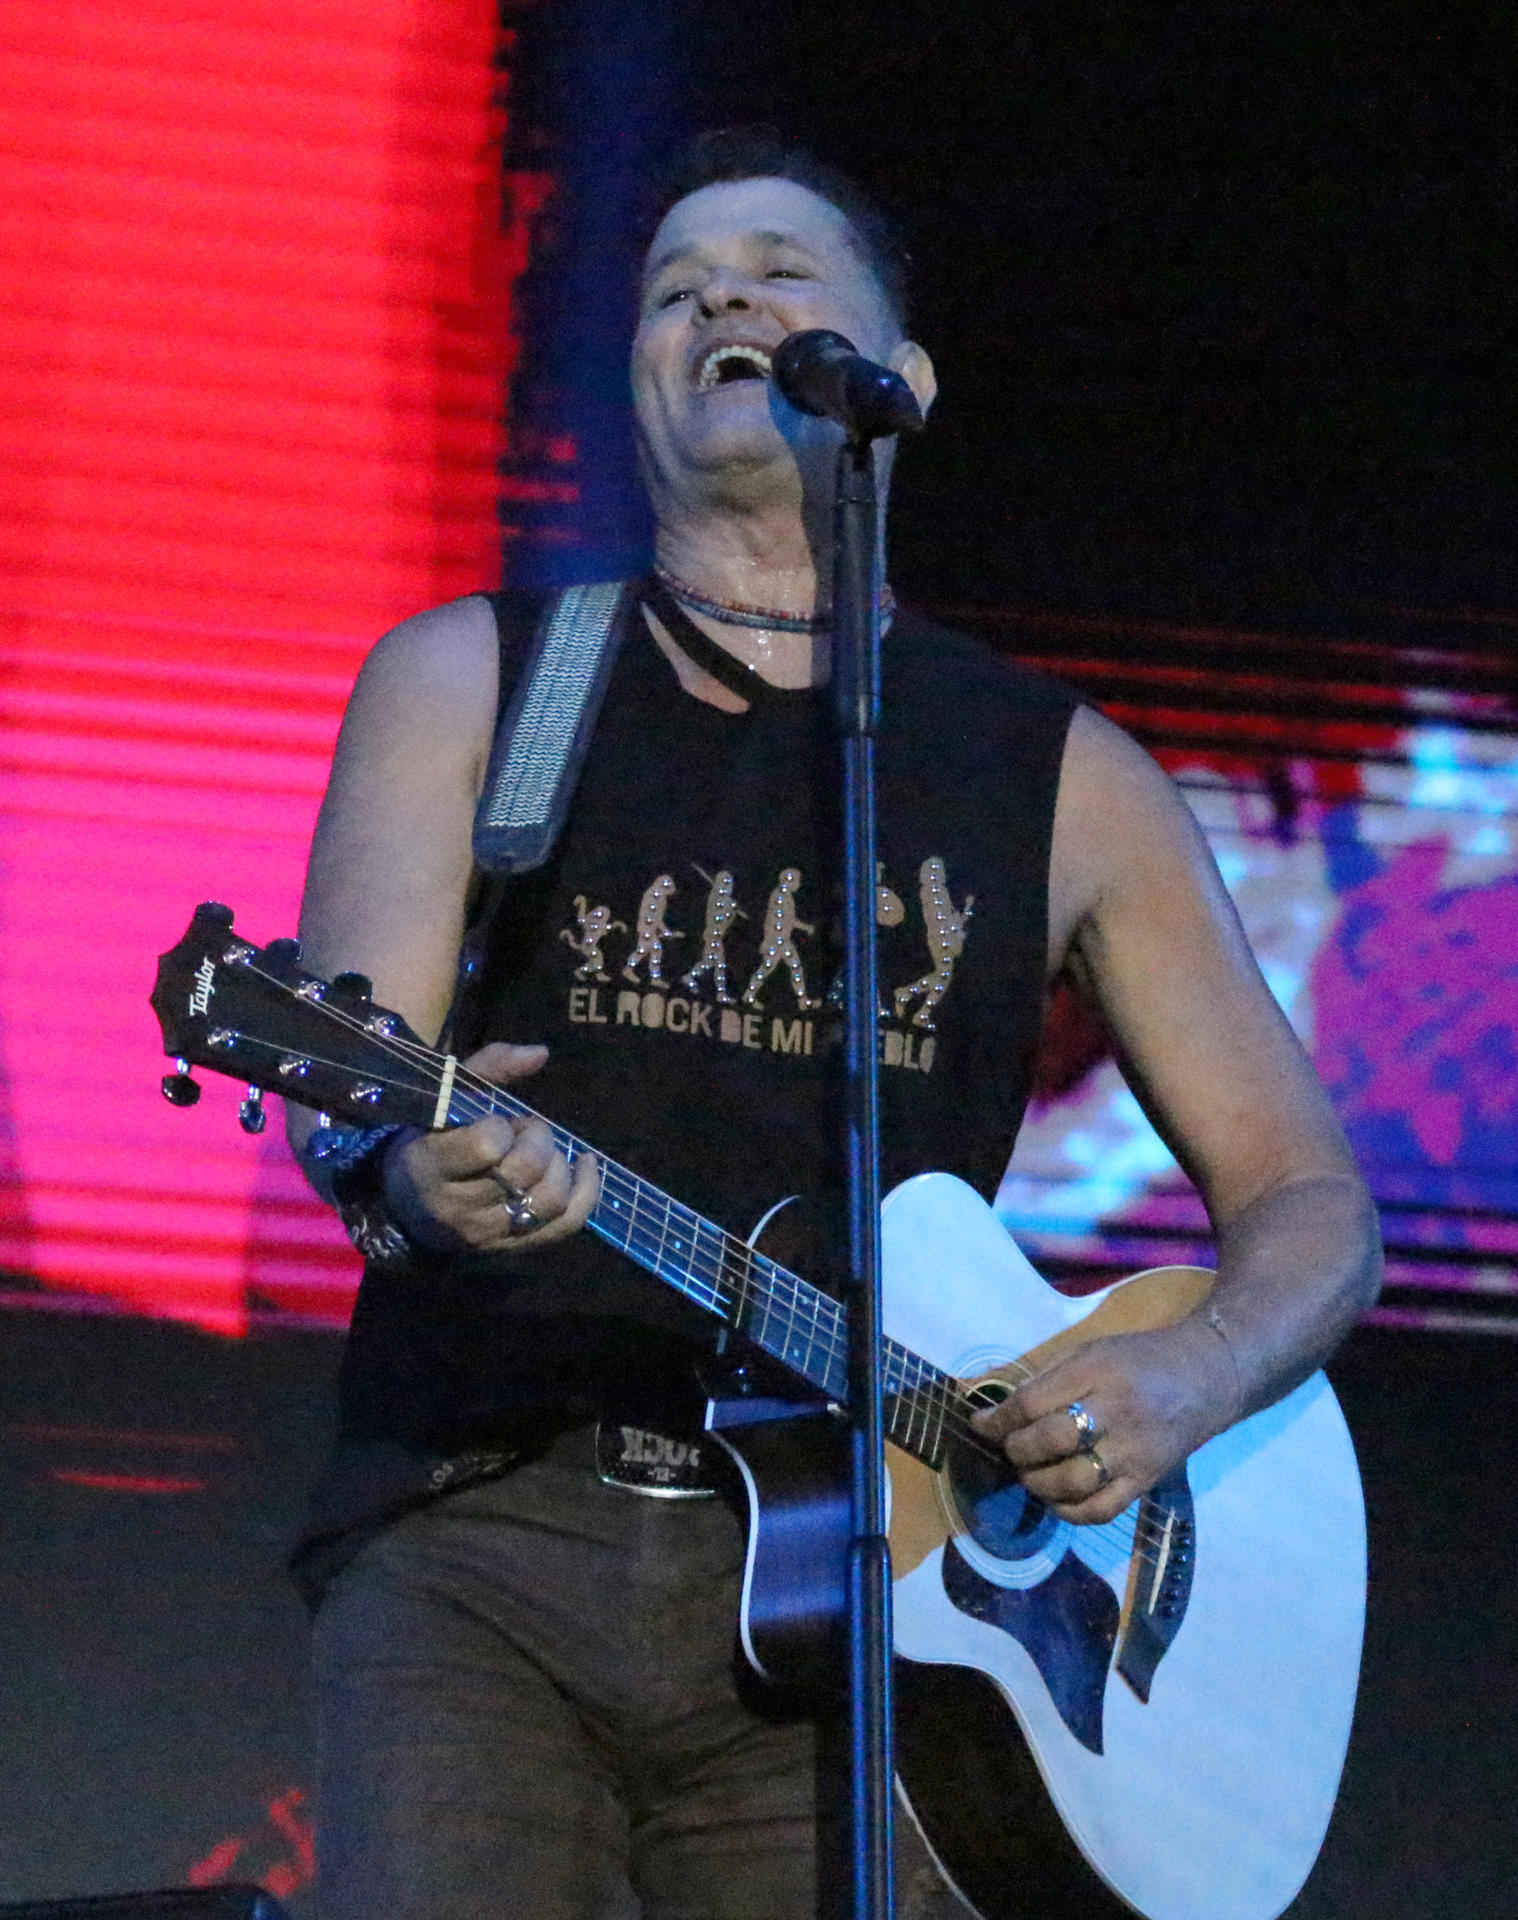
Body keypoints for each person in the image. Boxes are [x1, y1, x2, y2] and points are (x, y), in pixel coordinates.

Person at [289, 129, 1382, 1920]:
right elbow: (345, 1096)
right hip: (487, 1537)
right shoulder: (476, 675)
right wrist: (412, 1169)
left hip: (891, 1602)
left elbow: (1312, 1211)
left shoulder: (1062, 777)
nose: (724, 293)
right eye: (674, 285)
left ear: (903, 386)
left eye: (782, 268)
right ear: (637, 380)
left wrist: (1185, 1375)